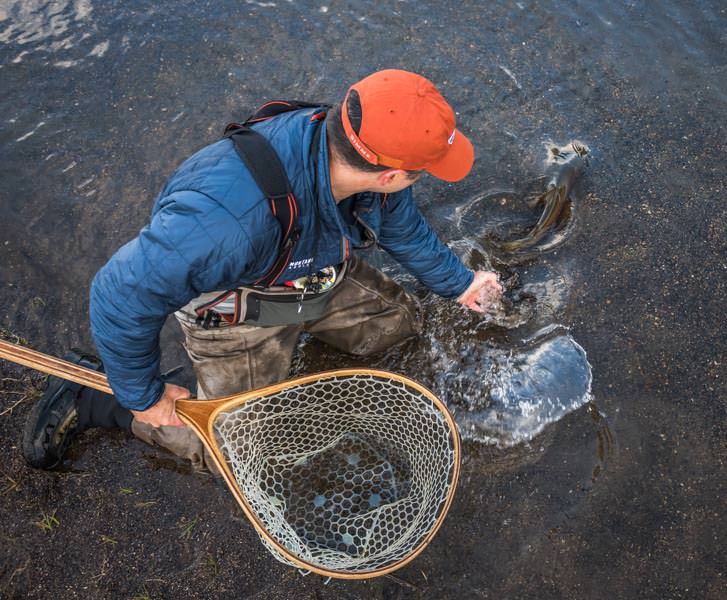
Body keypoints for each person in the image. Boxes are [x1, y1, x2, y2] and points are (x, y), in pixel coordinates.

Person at [22, 69, 501, 472]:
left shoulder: (358, 148)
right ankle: (91, 396)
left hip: (315, 273)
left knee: (401, 326)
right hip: (238, 316)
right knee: (239, 456)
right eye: (424, 169)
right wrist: (141, 395)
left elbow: (399, 225)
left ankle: (294, 347)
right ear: (391, 175)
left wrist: (460, 284)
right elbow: (120, 293)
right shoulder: (226, 222)